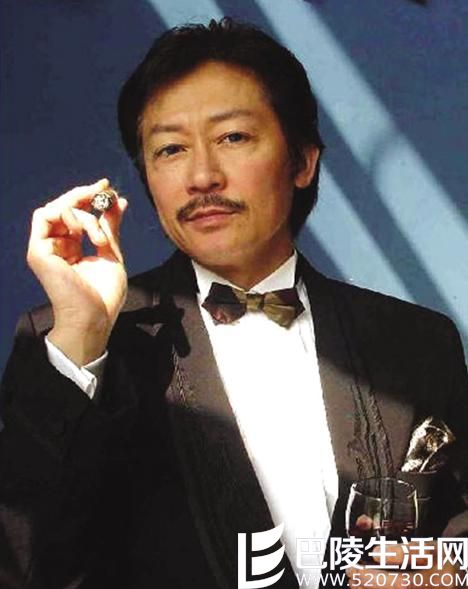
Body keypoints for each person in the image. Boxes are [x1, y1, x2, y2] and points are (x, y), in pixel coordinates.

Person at [0, 17, 467, 589]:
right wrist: (82, 332)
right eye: (170, 149)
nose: (201, 176)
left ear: (302, 161)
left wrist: (445, 571)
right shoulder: (78, 343)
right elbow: (25, 562)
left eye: (233, 138)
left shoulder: (417, 341)